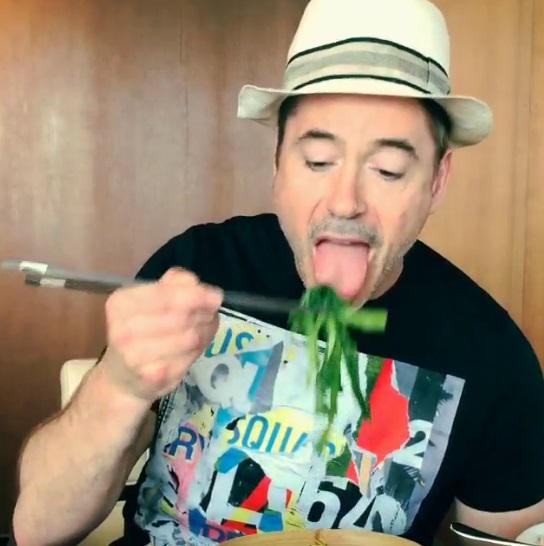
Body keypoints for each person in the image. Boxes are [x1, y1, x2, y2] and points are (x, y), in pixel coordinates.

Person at [12, 0, 544, 545]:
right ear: (277, 162)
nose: (345, 200)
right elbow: (37, 531)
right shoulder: (198, 267)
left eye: (388, 169)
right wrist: (119, 386)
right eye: (317, 161)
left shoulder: (494, 357)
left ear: (437, 180)